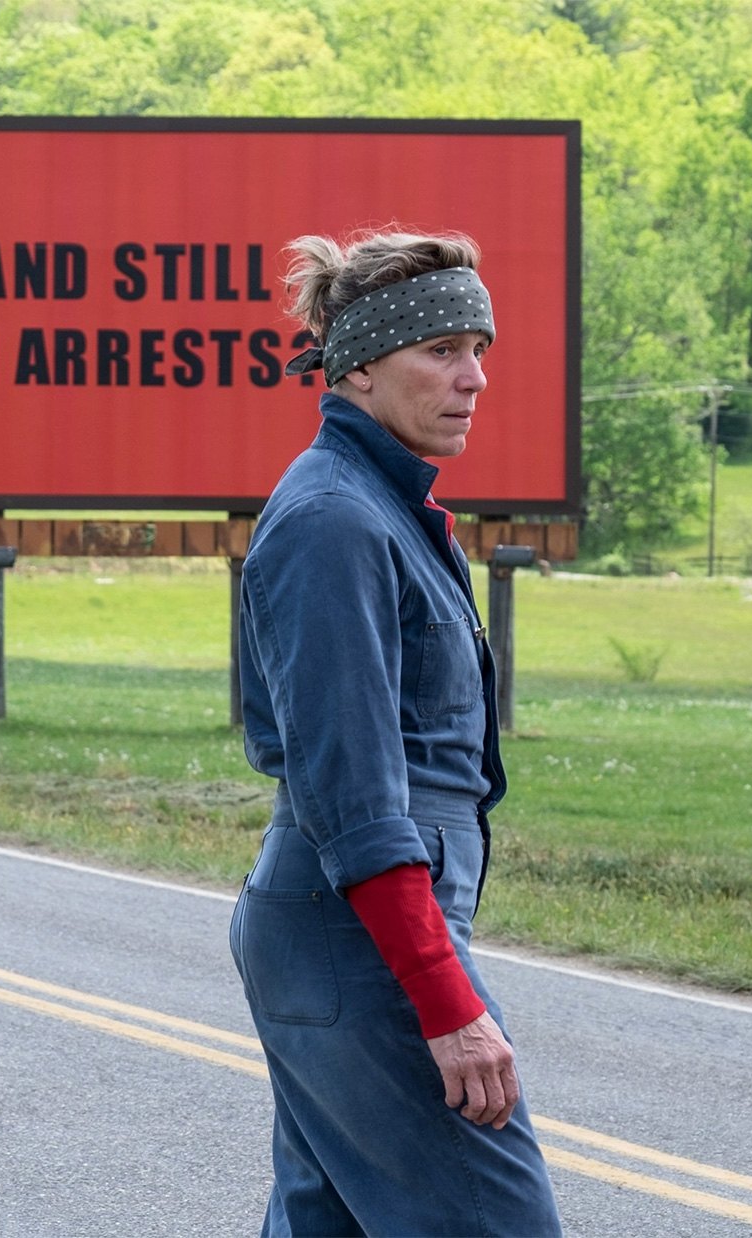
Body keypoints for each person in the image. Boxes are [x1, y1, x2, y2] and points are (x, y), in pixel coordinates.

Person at [228, 229, 563, 1237]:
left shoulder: (379, 506)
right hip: (358, 940)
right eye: (442, 350)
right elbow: (356, 798)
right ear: (360, 366)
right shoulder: (335, 521)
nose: (473, 378)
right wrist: (445, 1000)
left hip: (343, 938)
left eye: (479, 349)